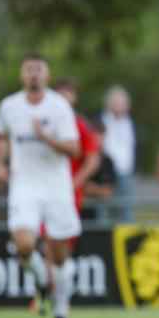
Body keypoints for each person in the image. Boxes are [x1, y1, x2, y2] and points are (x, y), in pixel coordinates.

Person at [0, 54, 81, 318]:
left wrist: (45, 137)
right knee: (24, 244)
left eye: (38, 70)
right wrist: (0, 165)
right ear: (22, 75)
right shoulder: (9, 106)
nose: (33, 74)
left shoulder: (59, 107)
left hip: (56, 187)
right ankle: (43, 281)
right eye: (29, 69)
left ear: (47, 75)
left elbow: (73, 149)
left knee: (60, 253)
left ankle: (61, 307)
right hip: (24, 187)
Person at [54, 78, 101, 223]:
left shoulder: (81, 125)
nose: (64, 97)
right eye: (60, 93)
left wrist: (74, 183)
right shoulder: (45, 123)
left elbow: (92, 160)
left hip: (70, 192)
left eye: (68, 93)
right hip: (47, 187)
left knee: (64, 237)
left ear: (74, 96)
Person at [100, 85, 137, 220]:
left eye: (120, 102)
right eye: (114, 102)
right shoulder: (101, 121)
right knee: (102, 211)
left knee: (125, 212)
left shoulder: (129, 123)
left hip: (125, 174)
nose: (117, 106)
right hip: (105, 174)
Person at [83, 119, 117, 209]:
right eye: (95, 134)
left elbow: (107, 192)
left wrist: (88, 188)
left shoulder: (108, 161)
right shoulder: (79, 157)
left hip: (98, 212)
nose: (98, 139)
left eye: (101, 134)